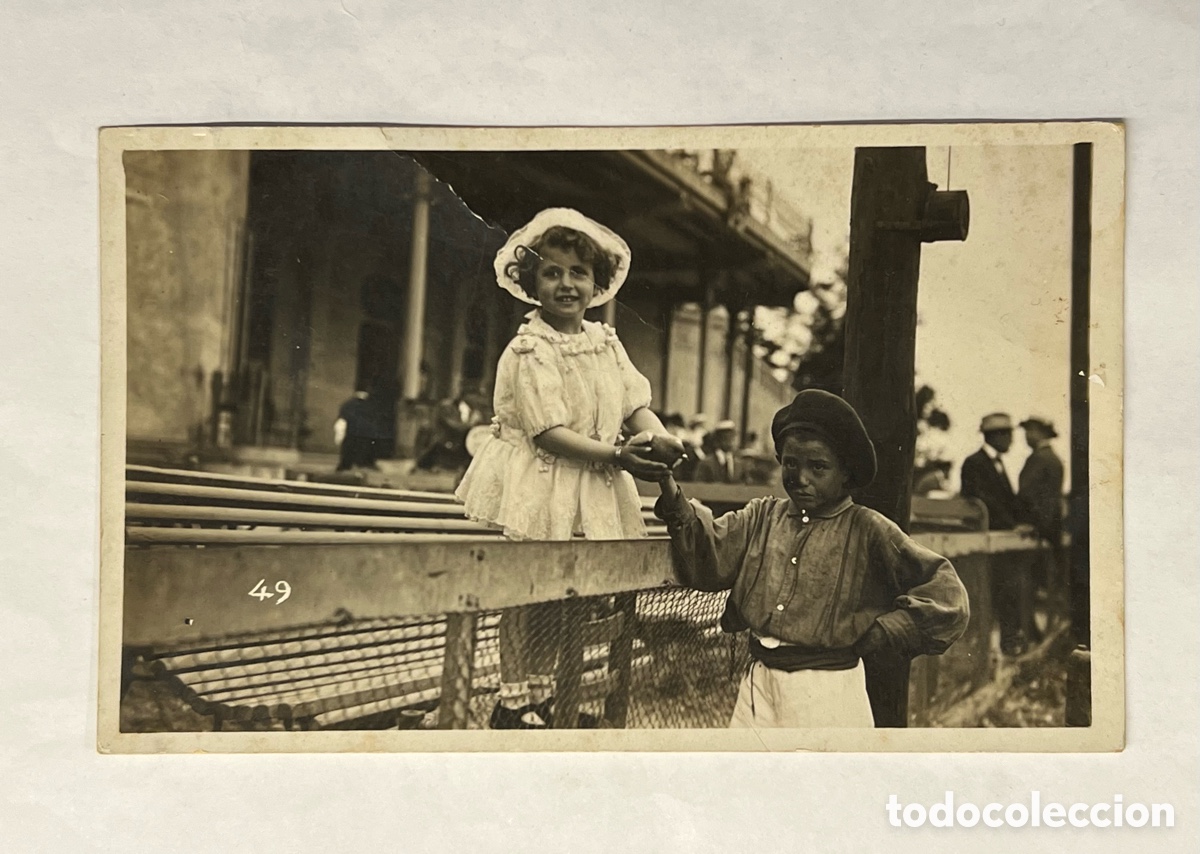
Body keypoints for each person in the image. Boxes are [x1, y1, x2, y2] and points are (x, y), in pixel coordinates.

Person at [455, 208, 684, 729]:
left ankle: (543, 696)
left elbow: (633, 404)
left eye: (578, 273)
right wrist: (619, 456)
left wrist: (659, 436)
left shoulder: (605, 342)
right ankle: (512, 703)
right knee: (528, 590)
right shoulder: (530, 348)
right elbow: (547, 432)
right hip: (540, 479)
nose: (566, 284)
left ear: (595, 283)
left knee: (564, 594)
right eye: (552, 272)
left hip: (587, 482)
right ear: (531, 282)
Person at [653, 390, 969, 728]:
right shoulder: (763, 516)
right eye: (791, 463)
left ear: (845, 472)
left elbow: (947, 593)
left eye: (818, 467)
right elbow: (707, 552)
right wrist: (666, 480)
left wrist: (886, 631)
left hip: (826, 690)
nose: (800, 478)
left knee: (819, 764)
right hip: (758, 684)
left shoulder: (867, 528)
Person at [959, 412, 1033, 654]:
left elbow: (1008, 501)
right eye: (1008, 435)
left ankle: (1008, 644)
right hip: (986, 540)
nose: (1011, 440)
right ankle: (986, 649)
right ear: (996, 436)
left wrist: (1023, 521)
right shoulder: (974, 463)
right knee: (991, 594)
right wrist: (1012, 525)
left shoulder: (997, 464)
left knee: (1008, 591)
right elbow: (982, 501)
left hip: (1000, 541)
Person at [1018, 417, 1066, 621]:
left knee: (1030, 586)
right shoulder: (1052, 458)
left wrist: (1033, 523)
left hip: (1039, 529)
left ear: (1041, 433)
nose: (1027, 436)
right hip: (1049, 527)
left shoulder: (1040, 459)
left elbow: (1029, 495)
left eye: (1030, 431)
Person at [333, 386, 386, 471]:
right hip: (365, 433)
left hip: (351, 432)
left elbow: (343, 418)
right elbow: (376, 419)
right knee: (364, 450)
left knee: (348, 451)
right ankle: (363, 463)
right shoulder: (371, 405)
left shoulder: (348, 404)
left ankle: (345, 466)